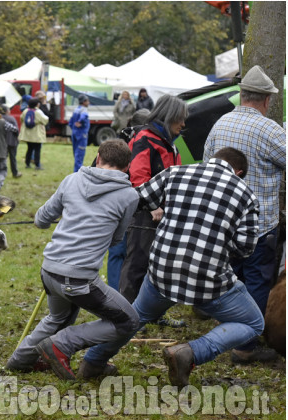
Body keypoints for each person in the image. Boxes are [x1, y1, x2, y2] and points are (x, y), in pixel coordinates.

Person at [81, 148, 263, 387]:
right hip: (208, 280)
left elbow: (137, 199)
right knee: (253, 323)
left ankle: (93, 361)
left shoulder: (175, 173)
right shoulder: (247, 195)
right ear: (238, 172)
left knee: (136, 317)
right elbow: (245, 248)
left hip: (162, 271)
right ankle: (191, 352)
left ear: (212, 160)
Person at [5, 139, 140, 379]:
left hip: (49, 270)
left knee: (58, 316)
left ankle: (20, 360)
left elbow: (40, 219)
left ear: (98, 158)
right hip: (79, 280)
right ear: (127, 166)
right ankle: (61, 344)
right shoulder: (129, 195)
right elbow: (117, 239)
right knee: (128, 320)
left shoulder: (72, 180)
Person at [203, 65, 286, 364]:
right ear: (266, 100)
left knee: (229, 280)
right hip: (259, 224)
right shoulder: (270, 130)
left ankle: (227, 334)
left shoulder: (219, 125)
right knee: (256, 282)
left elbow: (206, 168)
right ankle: (246, 345)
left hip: (223, 222)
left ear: (242, 95)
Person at [118, 95, 187, 311]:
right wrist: (152, 206)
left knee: (157, 265)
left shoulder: (169, 142)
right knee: (137, 263)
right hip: (143, 213)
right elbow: (137, 178)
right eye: (180, 119)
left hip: (163, 214)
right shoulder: (145, 138)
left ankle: (152, 313)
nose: (183, 124)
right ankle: (124, 315)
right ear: (169, 117)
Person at [105, 109, 150, 292]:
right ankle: (117, 297)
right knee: (120, 250)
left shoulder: (117, 143)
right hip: (124, 206)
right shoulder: (135, 144)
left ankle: (118, 294)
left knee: (120, 251)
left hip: (118, 205)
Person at [19, 98, 48, 170]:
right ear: (37, 104)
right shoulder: (38, 112)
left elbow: (21, 119)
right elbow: (45, 120)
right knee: (37, 150)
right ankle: (37, 165)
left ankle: (27, 164)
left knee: (29, 149)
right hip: (37, 134)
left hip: (28, 135)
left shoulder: (25, 111)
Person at [69, 94, 90, 173]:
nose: (89, 103)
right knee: (80, 153)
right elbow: (84, 116)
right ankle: (77, 172)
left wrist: (74, 129)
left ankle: (76, 170)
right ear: (84, 102)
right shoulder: (84, 110)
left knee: (75, 153)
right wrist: (80, 121)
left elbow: (70, 123)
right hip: (82, 134)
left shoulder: (76, 109)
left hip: (74, 133)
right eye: (87, 101)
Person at [2, 105, 22, 178]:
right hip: (12, 141)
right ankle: (15, 173)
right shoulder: (11, 118)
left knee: (3, 158)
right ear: (7, 111)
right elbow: (16, 130)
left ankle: (3, 173)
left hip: (2, 142)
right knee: (13, 158)